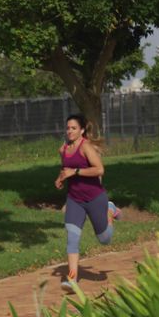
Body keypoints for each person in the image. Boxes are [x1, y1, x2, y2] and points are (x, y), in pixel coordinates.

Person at [53, 114, 119, 290]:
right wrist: (60, 179)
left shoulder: (86, 147)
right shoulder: (63, 149)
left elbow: (99, 170)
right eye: (67, 128)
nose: (69, 131)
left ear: (81, 130)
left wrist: (75, 172)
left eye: (73, 128)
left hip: (95, 198)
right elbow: (65, 168)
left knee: (105, 239)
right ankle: (72, 279)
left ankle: (110, 210)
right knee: (72, 238)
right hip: (75, 200)